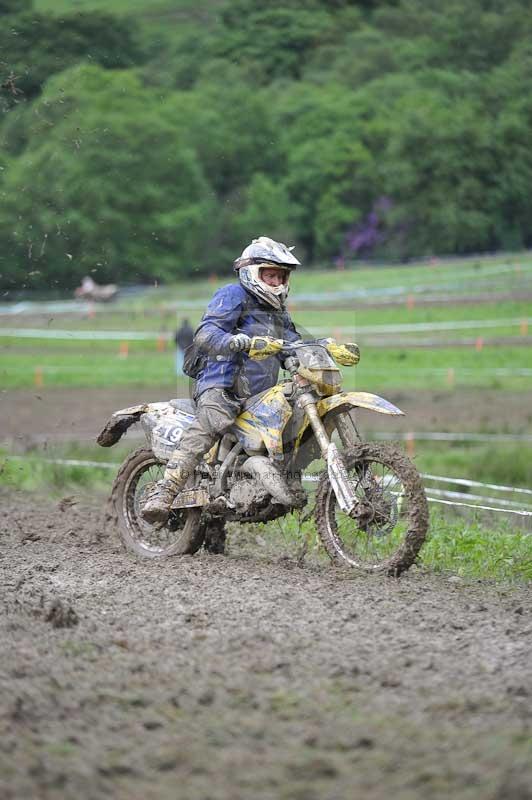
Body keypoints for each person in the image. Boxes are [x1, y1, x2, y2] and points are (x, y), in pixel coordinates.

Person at [141, 236, 302, 524]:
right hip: (222, 384)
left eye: (281, 276)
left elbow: (291, 342)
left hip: (260, 391)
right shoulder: (233, 295)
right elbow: (206, 333)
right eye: (270, 274)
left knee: (293, 411)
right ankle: (165, 491)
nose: (277, 281)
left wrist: (301, 356)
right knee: (214, 419)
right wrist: (236, 341)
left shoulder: (278, 312)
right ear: (252, 273)